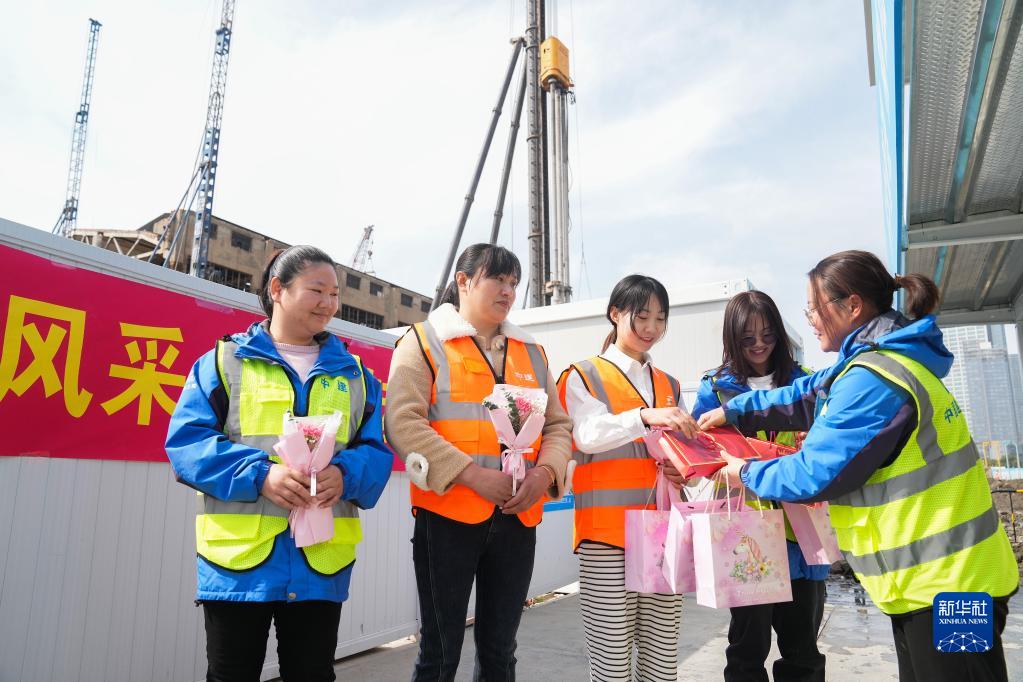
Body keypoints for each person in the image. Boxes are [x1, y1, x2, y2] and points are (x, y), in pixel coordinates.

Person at [699, 250, 1019, 682]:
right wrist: (736, 409)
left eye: (814, 307)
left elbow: (815, 473)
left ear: (851, 306)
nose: (810, 319)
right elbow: (807, 394)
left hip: (952, 589)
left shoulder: (873, 379)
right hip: (933, 584)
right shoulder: (874, 362)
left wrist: (743, 471)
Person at [166, 246, 392, 682]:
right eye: (317, 290)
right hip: (238, 566)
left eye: (334, 293)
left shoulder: (357, 375)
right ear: (278, 289)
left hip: (319, 563)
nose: (328, 303)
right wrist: (260, 474)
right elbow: (186, 444)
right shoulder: (223, 363)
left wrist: (344, 476)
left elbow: (377, 451)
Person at [384, 243, 572, 682]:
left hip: (517, 518)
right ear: (464, 281)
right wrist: (470, 474)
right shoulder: (424, 341)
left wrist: (544, 473)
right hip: (448, 516)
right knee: (440, 651)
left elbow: (559, 427)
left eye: (513, 283)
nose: (508, 291)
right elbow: (402, 423)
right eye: (497, 280)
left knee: (500, 651)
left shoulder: (532, 352)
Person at [556, 274, 698, 682]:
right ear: (615, 314)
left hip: (662, 534)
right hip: (606, 536)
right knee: (612, 660)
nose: (652, 328)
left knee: (661, 660)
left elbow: (682, 453)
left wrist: (682, 470)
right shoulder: (583, 376)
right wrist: (642, 416)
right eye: (642, 316)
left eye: (660, 318)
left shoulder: (669, 384)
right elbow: (586, 435)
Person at [690, 290, 828, 682]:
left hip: (801, 533)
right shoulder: (714, 389)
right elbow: (701, 452)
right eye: (747, 338)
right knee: (746, 648)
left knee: (802, 646)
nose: (759, 344)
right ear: (732, 339)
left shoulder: (806, 385)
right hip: (745, 534)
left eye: (768, 334)